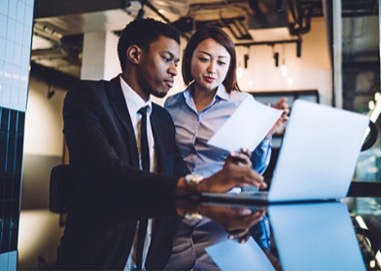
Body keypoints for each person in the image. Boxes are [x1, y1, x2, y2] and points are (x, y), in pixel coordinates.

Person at [56, 18, 266, 271]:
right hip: (97, 255)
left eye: (176, 62)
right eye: (167, 59)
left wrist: (222, 203)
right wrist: (202, 185)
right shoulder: (88, 96)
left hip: (154, 259)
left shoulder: (161, 118)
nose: (175, 71)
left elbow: (179, 176)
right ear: (135, 54)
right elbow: (104, 172)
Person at [163, 26, 288, 270]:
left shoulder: (242, 104)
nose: (212, 69)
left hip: (225, 214)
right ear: (189, 60)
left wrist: (265, 136)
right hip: (180, 207)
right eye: (204, 59)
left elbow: (257, 170)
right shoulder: (171, 104)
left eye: (221, 62)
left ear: (229, 67)